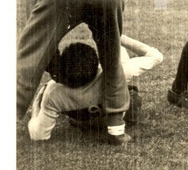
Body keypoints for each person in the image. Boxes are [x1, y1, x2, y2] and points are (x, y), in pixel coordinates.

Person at [17, 0, 141, 145]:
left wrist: (54, 65)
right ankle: (117, 130)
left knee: (29, 62)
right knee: (112, 59)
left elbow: (33, 27)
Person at [28, 35, 163, 141]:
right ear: (97, 63)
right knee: (131, 95)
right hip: (118, 114)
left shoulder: (53, 92)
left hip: (83, 117)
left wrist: (37, 105)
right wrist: (119, 37)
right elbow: (156, 56)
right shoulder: (114, 72)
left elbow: (38, 135)